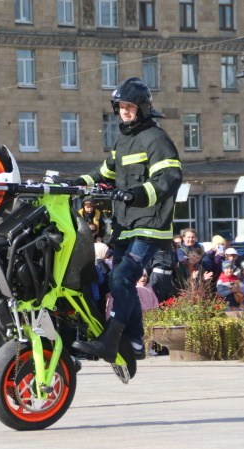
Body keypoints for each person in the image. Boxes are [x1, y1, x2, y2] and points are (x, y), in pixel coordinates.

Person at [71, 77, 182, 363]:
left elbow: (169, 178)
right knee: (120, 282)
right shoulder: (123, 142)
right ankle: (134, 341)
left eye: (130, 106)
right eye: (121, 106)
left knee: (123, 277)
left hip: (150, 225)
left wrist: (135, 195)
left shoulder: (156, 138)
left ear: (143, 107)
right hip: (125, 226)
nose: (124, 111)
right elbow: (103, 173)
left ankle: (113, 339)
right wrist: (72, 184)